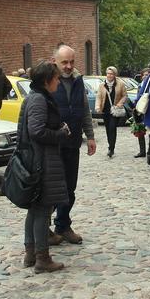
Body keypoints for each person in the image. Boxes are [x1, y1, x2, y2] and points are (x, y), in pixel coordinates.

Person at [20, 61, 69, 273]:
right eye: (56, 78)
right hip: (41, 161)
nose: (59, 81)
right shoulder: (39, 99)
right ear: (47, 80)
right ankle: (42, 258)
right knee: (42, 209)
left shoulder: (37, 96)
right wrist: (60, 133)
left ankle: (31, 254)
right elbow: (37, 131)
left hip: (39, 159)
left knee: (35, 209)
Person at [50, 44, 96, 244]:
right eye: (64, 62)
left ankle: (63, 225)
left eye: (71, 62)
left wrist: (90, 136)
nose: (69, 66)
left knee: (70, 188)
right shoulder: (48, 81)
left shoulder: (77, 80)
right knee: (51, 188)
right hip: (52, 144)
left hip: (73, 142)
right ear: (54, 62)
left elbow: (84, 109)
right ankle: (43, 229)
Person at [95, 66, 127, 158]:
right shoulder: (102, 85)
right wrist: (97, 107)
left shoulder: (120, 84)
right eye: (108, 73)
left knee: (112, 128)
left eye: (111, 74)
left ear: (115, 75)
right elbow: (99, 97)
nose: (109, 75)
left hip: (115, 110)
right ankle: (110, 145)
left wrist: (120, 103)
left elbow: (125, 95)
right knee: (108, 129)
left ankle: (111, 149)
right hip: (105, 110)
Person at [132, 68, 150, 158]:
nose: (145, 76)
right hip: (140, 110)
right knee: (140, 130)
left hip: (149, 110)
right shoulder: (140, 85)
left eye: (147, 75)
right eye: (144, 75)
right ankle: (142, 151)